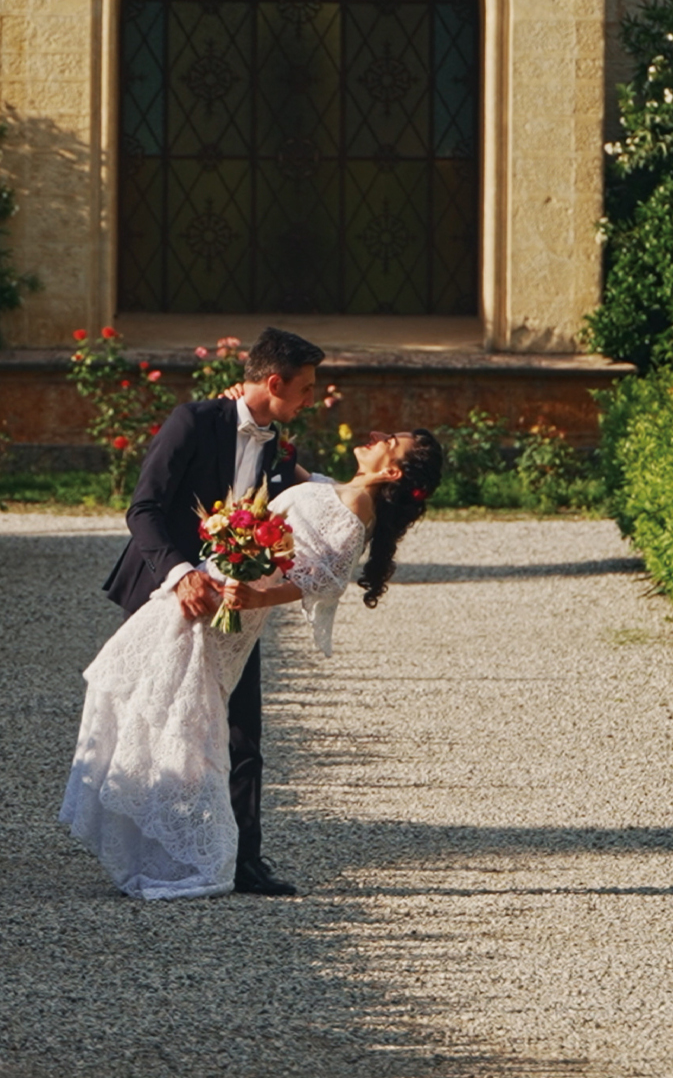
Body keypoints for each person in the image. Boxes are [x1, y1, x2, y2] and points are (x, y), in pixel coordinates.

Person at [62, 426, 444, 899]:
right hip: (213, 586)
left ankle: (190, 855)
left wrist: (254, 596)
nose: (377, 435)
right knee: (153, 692)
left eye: (390, 441)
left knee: (183, 716)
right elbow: (285, 464)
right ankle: (154, 839)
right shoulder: (336, 488)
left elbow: (320, 580)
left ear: (392, 471)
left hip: (234, 605)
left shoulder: (355, 509)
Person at [96, 326, 324, 894]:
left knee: (244, 731)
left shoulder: (276, 445)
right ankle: (150, 857)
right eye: (306, 388)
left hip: (234, 604)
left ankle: (243, 861)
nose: (312, 399)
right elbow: (143, 509)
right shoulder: (192, 421)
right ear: (275, 383)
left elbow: (307, 500)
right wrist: (181, 575)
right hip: (162, 592)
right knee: (155, 728)